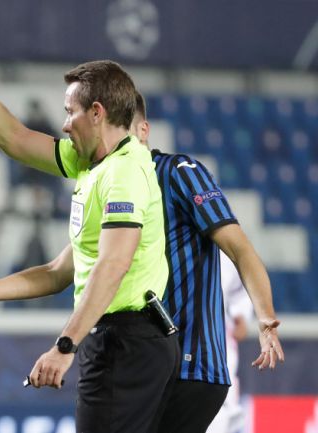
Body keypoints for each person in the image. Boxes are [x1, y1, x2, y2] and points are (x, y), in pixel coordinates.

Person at [0, 34, 178, 433]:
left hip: (127, 341)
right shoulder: (93, 165)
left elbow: (112, 266)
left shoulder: (123, 174)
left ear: (96, 113)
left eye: (68, 111)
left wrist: (64, 345)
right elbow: (14, 139)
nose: (62, 124)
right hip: (121, 340)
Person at [131, 93, 284, 433]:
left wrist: (262, 317)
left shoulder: (217, 248)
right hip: (153, 364)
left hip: (197, 368)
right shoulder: (121, 197)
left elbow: (240, 311)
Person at [207, 252, 254, 433]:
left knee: (221, 411)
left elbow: (239, 288)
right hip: (175, 342)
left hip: (219, 346)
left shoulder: (224, 249)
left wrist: (240, 314)